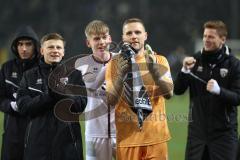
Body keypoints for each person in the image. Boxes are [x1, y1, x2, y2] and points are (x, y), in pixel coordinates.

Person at [106, 18, 173, 160]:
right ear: (123, 37)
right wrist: (120, 76)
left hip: (156, 138)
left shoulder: (159, 60)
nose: (133, 36)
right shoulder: (114, 64)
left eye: (137, 32)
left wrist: (155, 72)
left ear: (145, 35)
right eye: (129, 33)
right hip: (127, 140)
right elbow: (111, 100)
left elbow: (169, 94)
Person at [174, 20, 240, 160]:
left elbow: (237, 98)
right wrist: (184, 71)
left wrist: (219, 91)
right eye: (205, 36)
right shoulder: (195, 60)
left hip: (224, 137)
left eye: (211, 37)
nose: (206, 40)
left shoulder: (234, 65)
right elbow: (178, 90)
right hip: (196, 136)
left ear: (222, 39)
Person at [16, 33, 87, 160]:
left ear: (63, 52)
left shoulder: (75, 75)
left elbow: (81, 105)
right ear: (42, 51)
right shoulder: (29, 76)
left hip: (69, 146)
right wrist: (49, 95)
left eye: (58, 48)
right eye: (50, 47)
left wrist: (60, 92)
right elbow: (24, 107)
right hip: (37, 145)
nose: (55, 51)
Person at [75, 20, 116, 160]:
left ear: (110, 39)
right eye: (96, 38)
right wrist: (109, 68)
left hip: (122, 132)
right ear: (88, 43)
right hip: (94, 133)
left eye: (104, 37)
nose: (101, 42)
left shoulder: (121, 59)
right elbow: (90, 89)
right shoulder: (81, 65)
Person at [0, 25, 40, 160]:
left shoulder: (43, 68)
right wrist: (10, 105)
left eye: (28, 44)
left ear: (35, 46)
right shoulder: (7, 68)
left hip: (37, 133)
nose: (24, 48)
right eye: (20, 44)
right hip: (12, 133)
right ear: (15, 47)